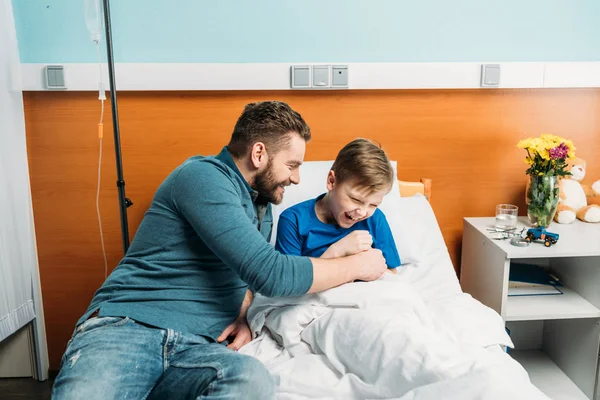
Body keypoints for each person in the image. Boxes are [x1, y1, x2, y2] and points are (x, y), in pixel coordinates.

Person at [52, 101, 388, 400]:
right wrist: (359, 265)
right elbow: (271, 273)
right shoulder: (202, 178)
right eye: (292, 165)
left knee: (252, 380)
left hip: (197, 349)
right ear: (259, 154)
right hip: (129, 327)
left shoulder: (260, 204)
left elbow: (242, 271)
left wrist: (243, 312)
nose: (297, 178)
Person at [276, 138, 400, 273]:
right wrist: (337, 251)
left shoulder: (375, 219)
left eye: (374, 204)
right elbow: (289, 282)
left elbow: (392, 274)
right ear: (332, 181)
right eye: (356, 199)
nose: (363, 212)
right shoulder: (293, 221)